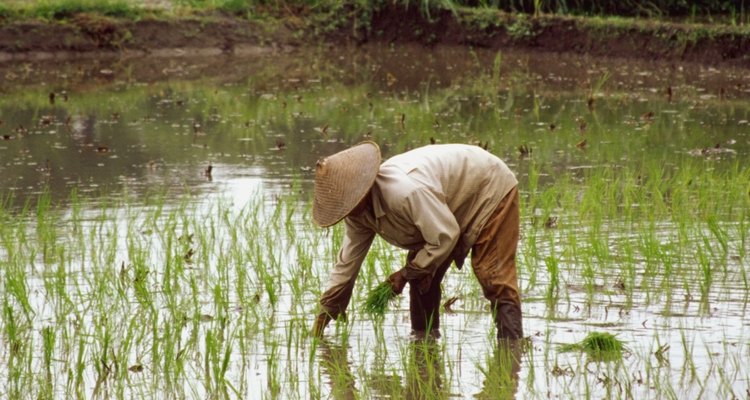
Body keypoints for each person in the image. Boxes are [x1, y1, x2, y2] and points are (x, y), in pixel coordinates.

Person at [311, 141, 523, 340]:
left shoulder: (404, 193)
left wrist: (404, 274)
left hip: (488, 186)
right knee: (422, 278)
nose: (347, 212)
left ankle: (511, 353)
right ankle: (424, 346)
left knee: (492, 276)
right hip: (445, 207)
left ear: (362, 191)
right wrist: (324, 315)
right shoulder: (358, 215)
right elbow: (347, 264)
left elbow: (444, 235)